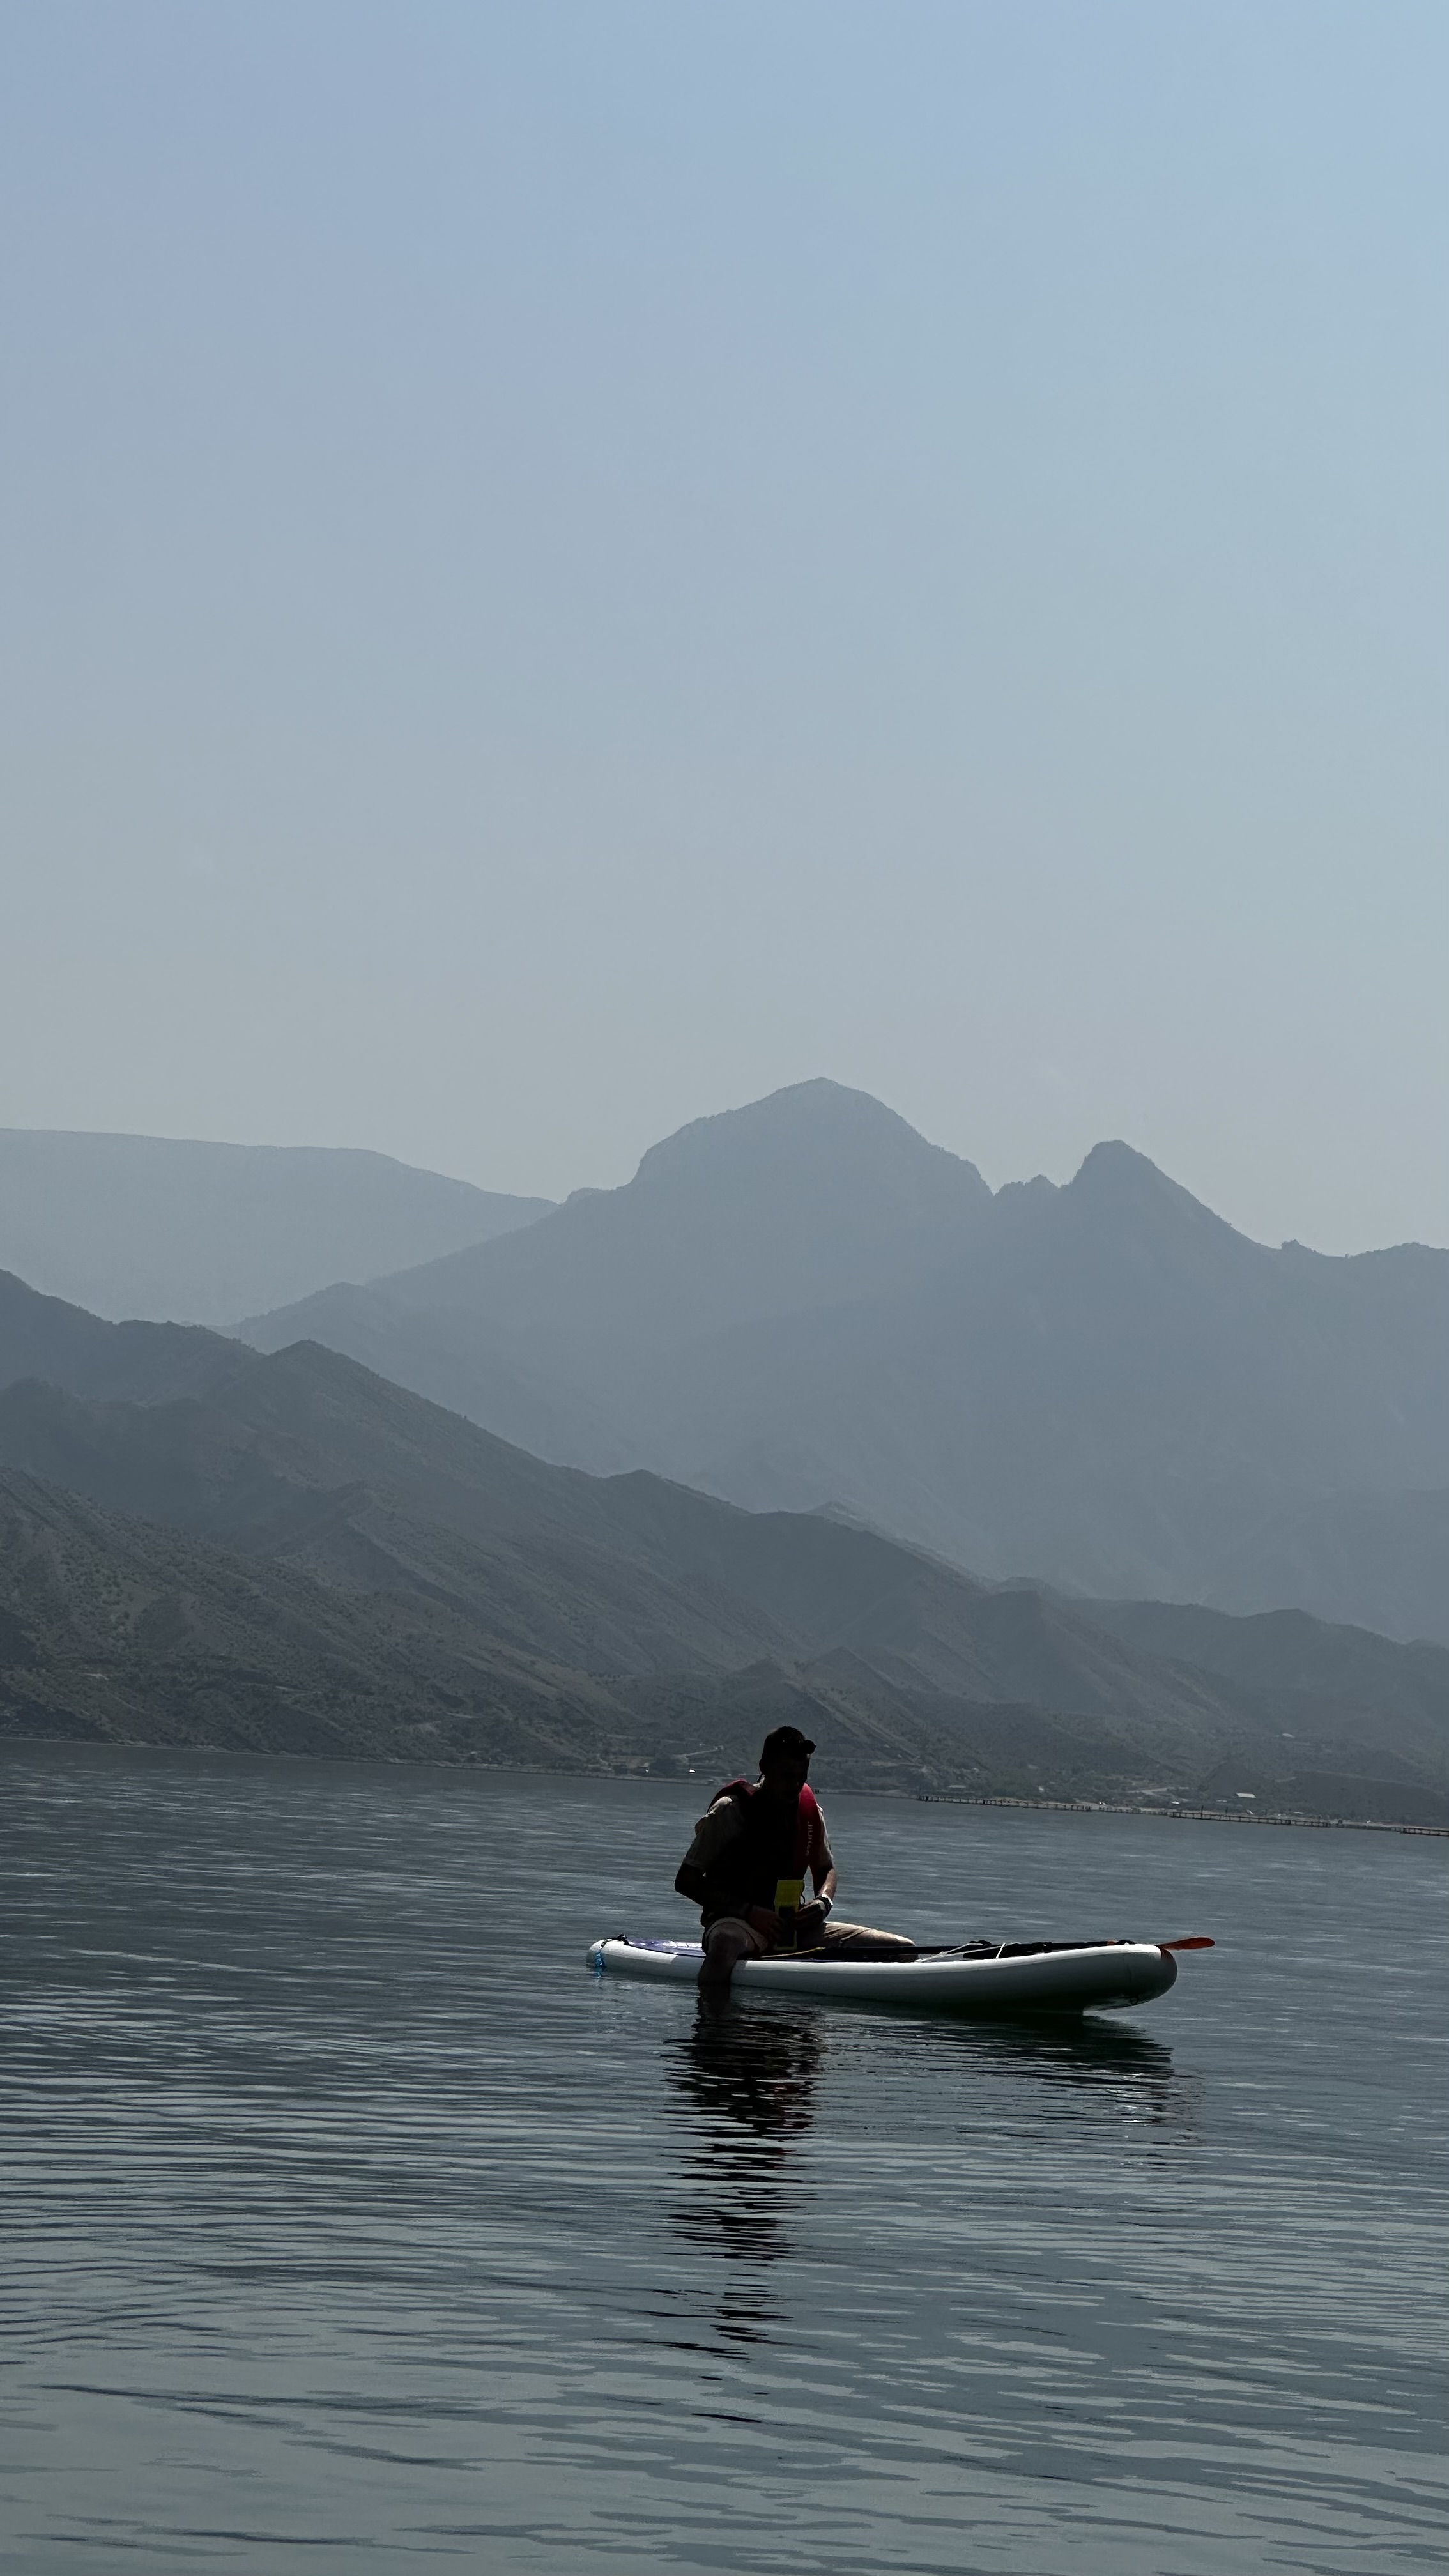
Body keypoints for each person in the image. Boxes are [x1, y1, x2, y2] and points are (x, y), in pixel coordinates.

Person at [674, 1724, 917, 1989]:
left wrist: (823, 1901)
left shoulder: (811, 1814)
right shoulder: (730, 1811)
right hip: (737, 1925)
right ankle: (713, 2026)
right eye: (786, 1776)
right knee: (724, 1946)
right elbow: (686, 1880)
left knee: (903, 1949)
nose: (794, 1786)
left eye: (801, 1777)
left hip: (792, 1929)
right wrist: (750, 1912)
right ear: (764, 1766)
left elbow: (826, 1869)